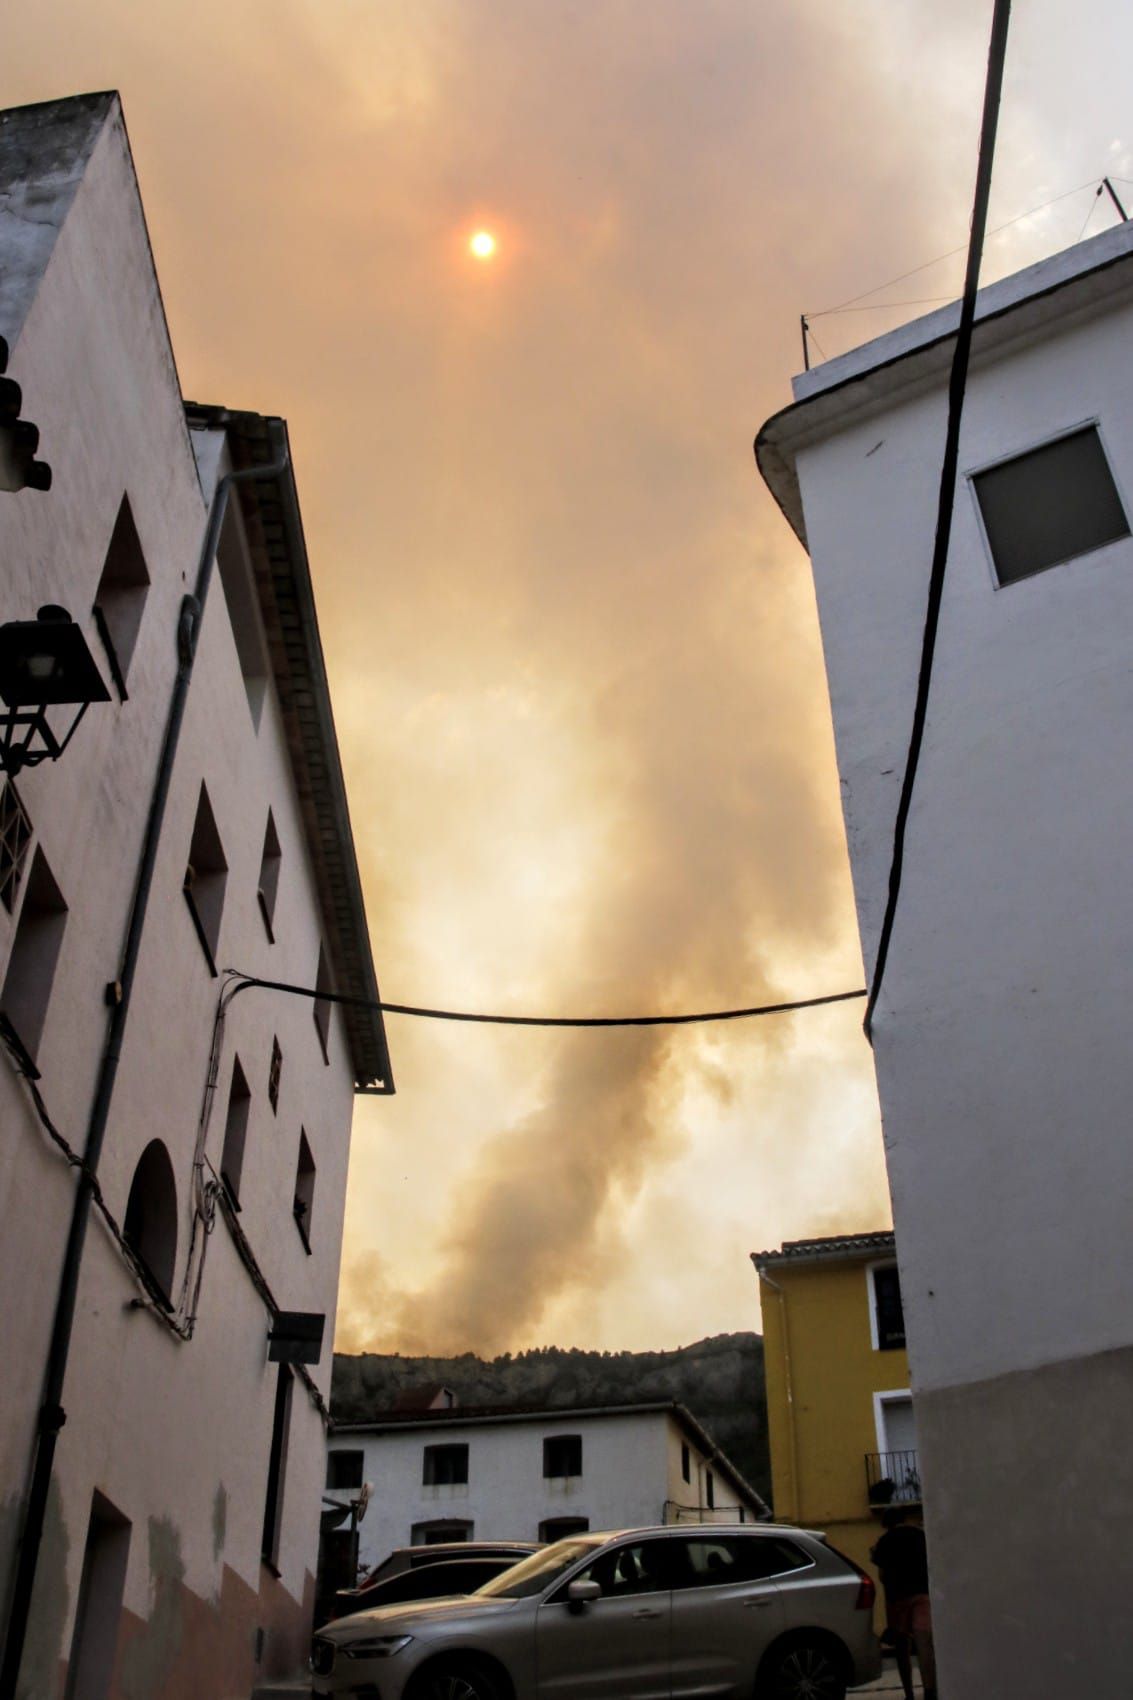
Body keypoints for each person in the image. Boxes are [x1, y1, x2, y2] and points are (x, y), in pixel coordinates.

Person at [870, 1507, 937, 1700]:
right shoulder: (919, 1535)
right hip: (922, 1594)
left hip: (897, 1599)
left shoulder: (884, 1542)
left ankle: (909, 1693)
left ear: (887, 1524)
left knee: (902, 1647)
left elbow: (882, 1575)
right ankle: (929, 1690)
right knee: (924, 1642)